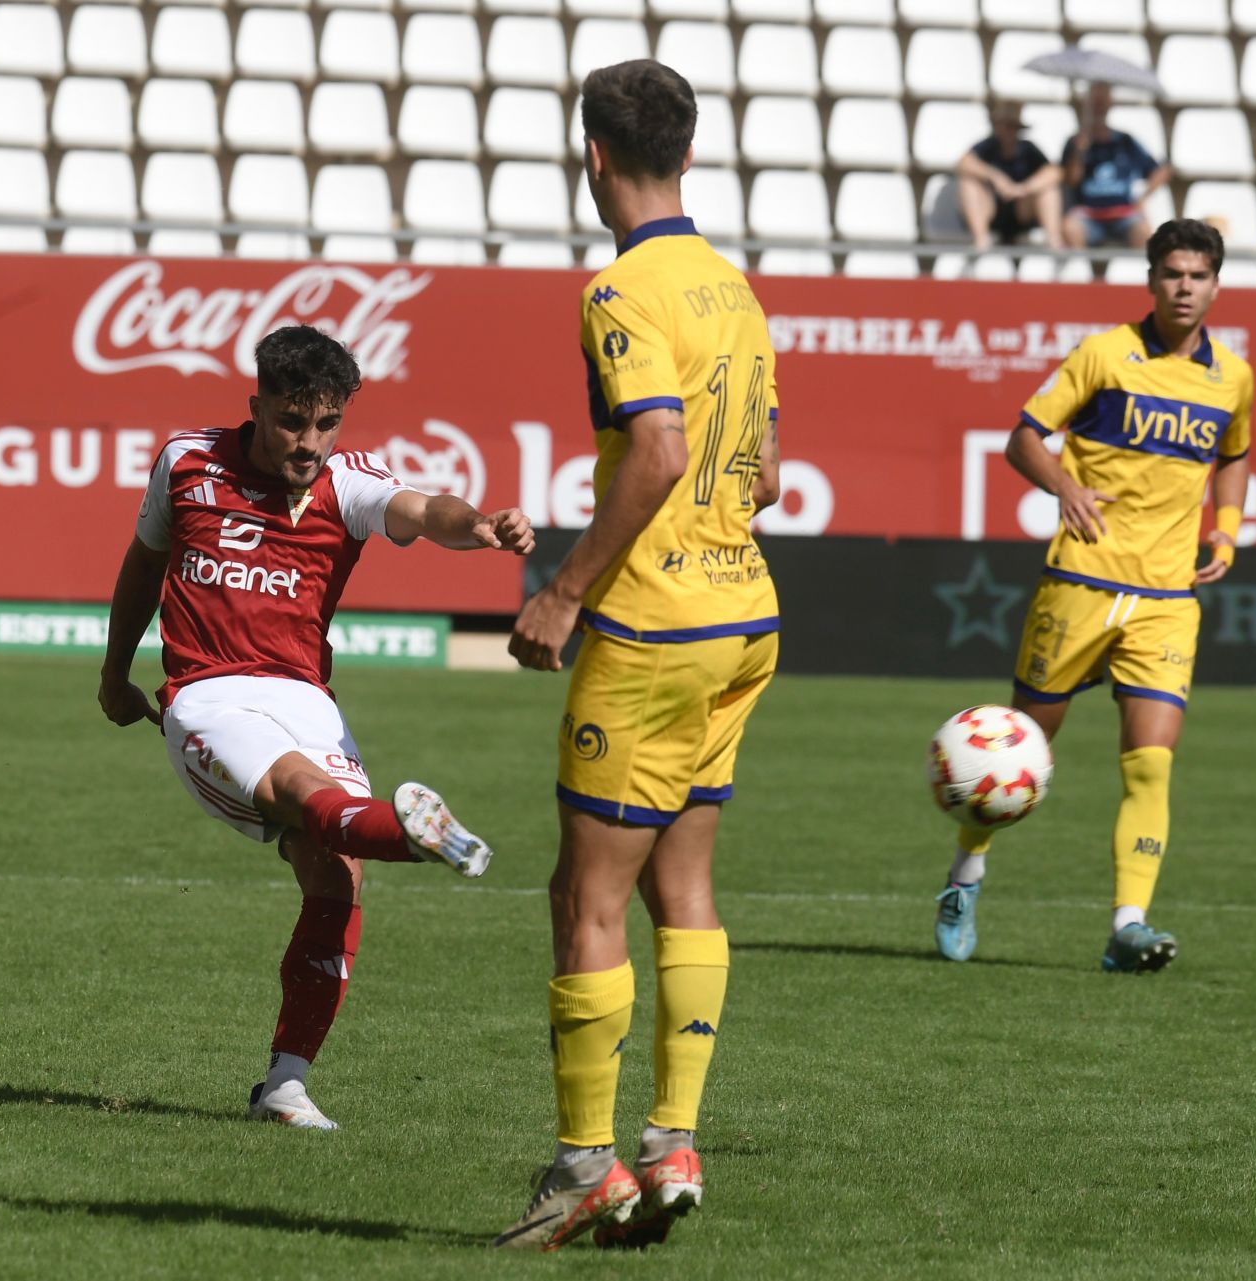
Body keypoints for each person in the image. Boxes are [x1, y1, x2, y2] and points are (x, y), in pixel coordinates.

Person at [98, 324, 535, 1130]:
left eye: (326, 424)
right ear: (256, 405)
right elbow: (143, 562)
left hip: (302, 696)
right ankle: (414, 834)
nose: (309, 442)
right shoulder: (187, 462)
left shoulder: (346, 483)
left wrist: (477, 526)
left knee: (337, 877)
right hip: (207, 693)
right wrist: (114, 673)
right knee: (305, 793)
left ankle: (285, 1085)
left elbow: (420, 508)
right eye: (292, 421)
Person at [494, 59, 783, 1252]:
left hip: (655, 629)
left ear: (595, 157)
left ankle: (580, 1168)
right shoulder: (732, 286)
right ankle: (673, 1143)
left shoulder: (622, 292)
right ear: (690, 151)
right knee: (685, 889)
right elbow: (761, 472)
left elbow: (658, 451)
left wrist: (564, 590)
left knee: (586, 898)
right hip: (745, 620)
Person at [932, 219, 1253, 974]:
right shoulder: (1104, 355)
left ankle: (1127, 925)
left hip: (1166, 597)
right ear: (1150, 279)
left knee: (1150, 764)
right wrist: (1065, 485)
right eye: (1172, 273)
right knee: (1020, 752)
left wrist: (1227, 532)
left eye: (1198, 275)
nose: (1184, 287)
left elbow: (1235, 453)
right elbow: (1024, 438)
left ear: (1215, 284)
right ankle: (965, 873)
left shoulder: (1232, 376)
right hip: (1079, 582)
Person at [1060, 83, 1170, 250]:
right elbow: (1071, 181)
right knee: (1070, 227)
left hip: (1122, 212)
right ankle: (1079, 273)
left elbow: (1162, 170)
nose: (1098, 107)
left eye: (1102, 102)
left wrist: (1143, 197)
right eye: (1095, 102)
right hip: (1087, 213)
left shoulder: (1125, 141)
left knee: (1143, 230)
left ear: (1109, 104)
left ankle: (1140, 274)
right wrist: (1079, 153)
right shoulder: (1075, 142)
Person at [957, 100, 1065, 251]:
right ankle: (981, 240)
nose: (1007, 130)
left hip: (1022, 211)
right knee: (968, 183)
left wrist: (1023, 189)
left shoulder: (1027, 149)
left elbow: (1054, 172)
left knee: (1049, 191)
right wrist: (996, 178)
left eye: (1011, 126)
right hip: (991, 210)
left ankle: (1054, 242)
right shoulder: (987, 147)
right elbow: (963, 163)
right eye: (1004, 125)